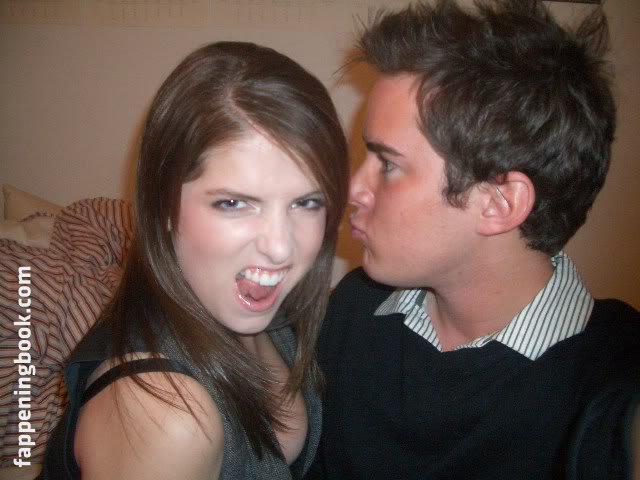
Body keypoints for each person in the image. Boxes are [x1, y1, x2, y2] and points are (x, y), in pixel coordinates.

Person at [309, 1, 640, 479]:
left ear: (499, 203)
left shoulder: (615, 384)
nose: (352, 190)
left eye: (388, 165)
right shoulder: (353, 311)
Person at [40, 41, 349, 479]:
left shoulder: (266, 310)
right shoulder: (166, 422)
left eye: (306, 202)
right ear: (163, 205)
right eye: (234, 203)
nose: (282, 248)